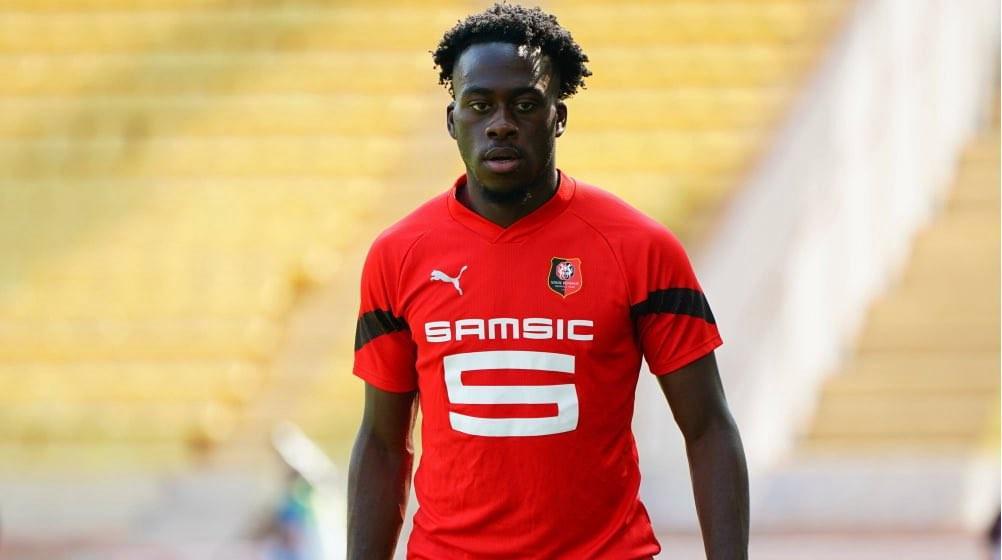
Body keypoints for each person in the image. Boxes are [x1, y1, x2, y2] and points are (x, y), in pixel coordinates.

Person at [346, 4, 748, 559]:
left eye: (525, 104)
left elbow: (708, 429)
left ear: (558, 117)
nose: (501, 124)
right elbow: (382, 443)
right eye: (479, 105)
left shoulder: (640, 248)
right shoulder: (398, 255)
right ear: (452, 120)